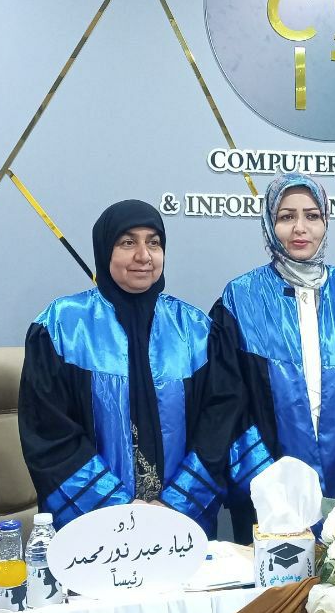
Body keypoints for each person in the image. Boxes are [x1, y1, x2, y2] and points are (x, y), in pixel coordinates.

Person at [210, 174, 335, 543]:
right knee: (275, 580)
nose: (300, 228)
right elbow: (227, 404)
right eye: (286, 217)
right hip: (268, 496)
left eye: (312, 216)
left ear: (326, 222)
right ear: (269, 224)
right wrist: (270, 483)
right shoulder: (240, 300)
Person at [19, 200, 227, 535]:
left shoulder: (196, 331)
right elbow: (49, 432)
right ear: (104, 250)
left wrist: (174, 504)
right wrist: (121, 508)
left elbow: (218, 426)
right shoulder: (62, 327)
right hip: (94, 527)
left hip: (178, 523)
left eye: (154, 243)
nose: (144, 256)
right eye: (128, 242)